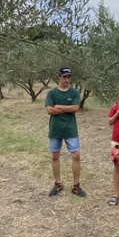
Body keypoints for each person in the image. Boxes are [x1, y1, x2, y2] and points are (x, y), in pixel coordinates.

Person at [45, 67, 86, 197]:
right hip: (55, 129)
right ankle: (58, 183)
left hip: (70, 129)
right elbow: (49, 110)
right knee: (55, 156)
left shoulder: (74, 92)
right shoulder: (52, 93)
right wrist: (67, 109)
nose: (67, 79)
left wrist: (59, 106)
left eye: (69, 77)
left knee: (76, 155)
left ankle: (76, 185)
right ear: (59, 77)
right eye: (64, 77)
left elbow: (75, 108)